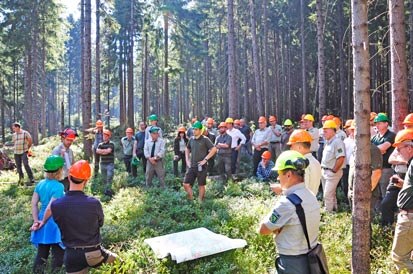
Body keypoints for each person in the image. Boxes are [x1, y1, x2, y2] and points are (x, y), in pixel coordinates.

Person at [42, 160, 118, 273]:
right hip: (94, 253)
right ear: (86, 181)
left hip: (72, 256)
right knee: (120, 264)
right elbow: (100, 223)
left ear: (68, 178)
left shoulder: (56, 205)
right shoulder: (94, 203)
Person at [259, 150, 320, 274]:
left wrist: (277, 227)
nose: (277, 177)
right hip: (310, 258)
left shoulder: (286, 204)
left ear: (288, 175)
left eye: (279, 173)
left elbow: (263, 229)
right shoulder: (310, 195)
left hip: (292, 262)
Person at [30, 155, 65, 273]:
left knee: (41, 254)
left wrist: (36, 221)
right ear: (59, 171)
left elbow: (34, 204)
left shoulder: (40, 184)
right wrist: (43, 222)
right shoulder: (59, 186)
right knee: (58, 254)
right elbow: (50, 208)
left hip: (40, 218)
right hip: (53, 222)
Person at [391, 129, 413, 272]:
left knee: (399, 258)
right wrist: (403, 184)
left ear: (409, 148)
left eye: (399, 149)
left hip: (410, 217)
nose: (398, 153)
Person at [183, 121, 217, 201]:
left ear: (200, 130)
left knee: (201, 185)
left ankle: (200, 201)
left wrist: (205, 160)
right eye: (193, 129)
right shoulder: (191, 139)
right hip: (192, 166)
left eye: (196, 129)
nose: (194, 131)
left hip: (201, 167)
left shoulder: (205, 139)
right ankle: (191, 199)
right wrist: (187, 160)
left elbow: (214, 149)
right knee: (186, 184)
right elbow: (187, 149)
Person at [321, 120, 346, 212]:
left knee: (327, 194)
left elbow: (341, 158)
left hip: (332, 172)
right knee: (330, 194)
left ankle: (328, 212)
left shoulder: (337, 142)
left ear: (332, 130)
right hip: (325, 171)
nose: (324, 133)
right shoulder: (328, 142)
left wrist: (334, 170)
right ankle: (334, 209)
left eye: (326, 131)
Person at [288, 129, 321, 196]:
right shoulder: (316, 162)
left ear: (299, 147)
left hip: (303, 203)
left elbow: (302, 190)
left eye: (292, 146)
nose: (290, 149)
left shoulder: (302, 165)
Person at [371, 113, 396, 202]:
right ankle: (377, 212)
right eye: (376, 123)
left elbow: (384, 147)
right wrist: (379, 151)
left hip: (386, 168)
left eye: (379, 123)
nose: (377, 125)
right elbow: (370, 150)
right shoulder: (374, 137)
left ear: (386, 124)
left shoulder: (391, 135)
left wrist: (377, 150)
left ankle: (386, 212)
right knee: (375, 192)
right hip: (374, 169)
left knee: (385, 191)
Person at [96, 129, 115, 196]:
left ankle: (108, 190)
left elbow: (108, 151)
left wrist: (102, 151)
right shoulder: (100, 144)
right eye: (104, 135)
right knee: (104, 177)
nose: (104, 136)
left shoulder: (111, 144)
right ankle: (105, 191)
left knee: (109, 176)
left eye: (106, 135)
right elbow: (97, 151)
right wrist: (105, 151)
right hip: (103, 163)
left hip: (110, 163)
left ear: (108, 136)